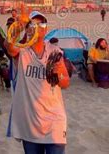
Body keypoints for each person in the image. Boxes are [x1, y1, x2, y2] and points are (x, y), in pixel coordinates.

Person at [6, 8, 70, 154]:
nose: (37, 28)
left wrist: (58, 75)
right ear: (27, 29)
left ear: (46, 29)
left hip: (55, 120)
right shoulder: (22, 51)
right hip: (30, 122)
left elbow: (66, 83)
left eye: (41, 25)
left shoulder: (55, 51)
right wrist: (19, 25)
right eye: (33, 25)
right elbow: (9, 47)